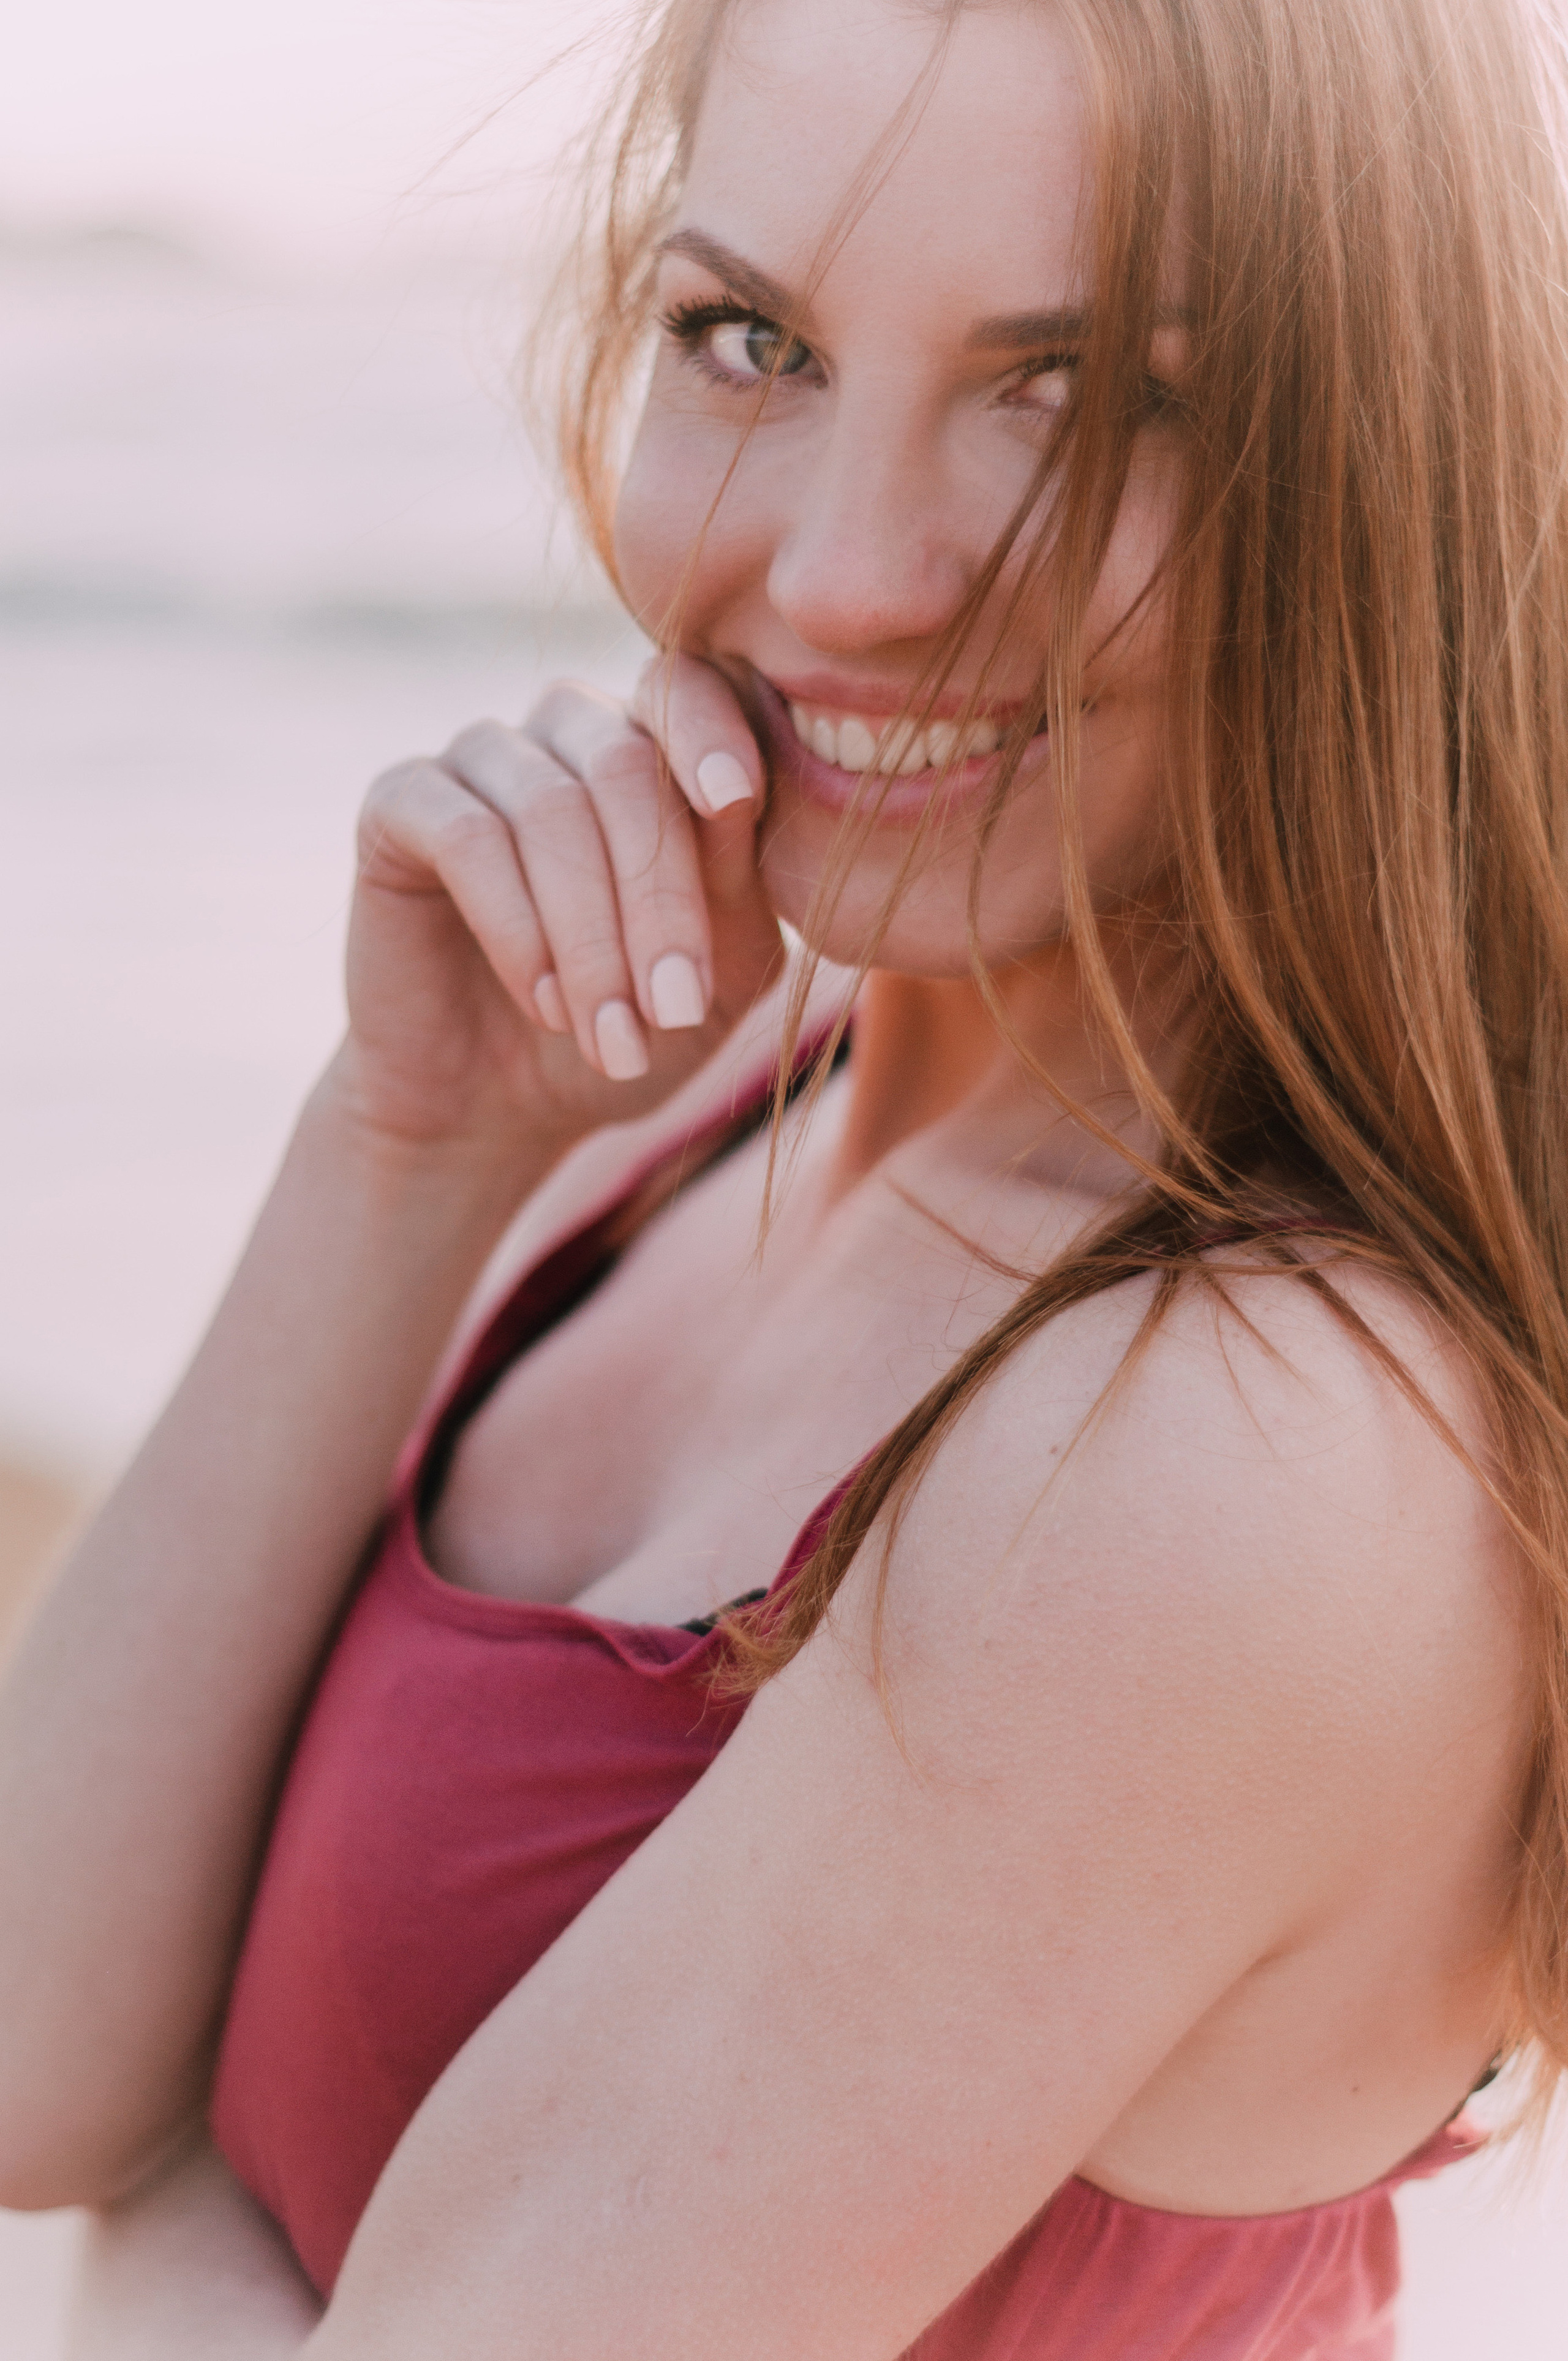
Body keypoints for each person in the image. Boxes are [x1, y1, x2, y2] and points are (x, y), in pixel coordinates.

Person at [1, 0, 1564, 2351]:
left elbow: (119, 2159)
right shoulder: (694, 1117)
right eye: (751, 337)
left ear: (1397, 450)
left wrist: (161, 2210)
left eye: (1095, 392)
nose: (846, 581)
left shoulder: (1246, 1449)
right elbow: (38, 2062)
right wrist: (400, 1149)